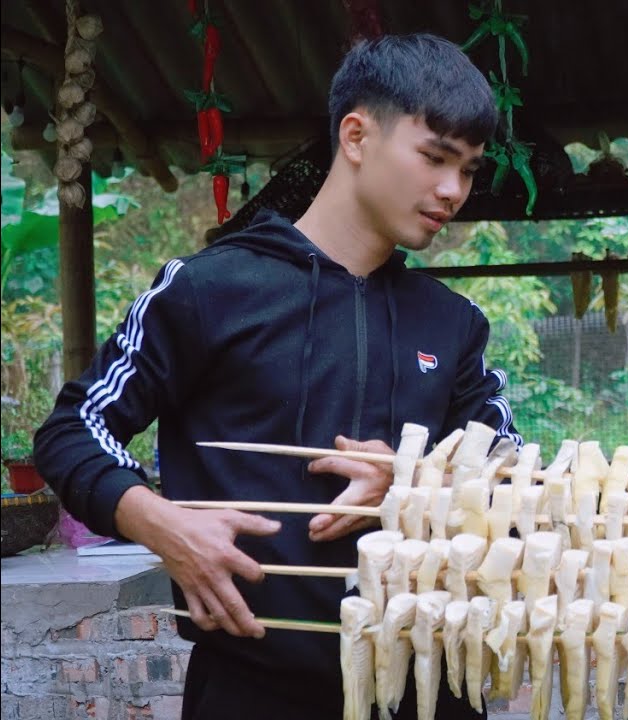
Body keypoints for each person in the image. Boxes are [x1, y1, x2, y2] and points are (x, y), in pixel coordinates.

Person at [35, 33, 519, 720]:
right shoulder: (209, 290)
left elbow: (513, 470)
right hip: (252, 691)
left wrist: (421, 478)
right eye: (435, 157)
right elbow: (72, 429)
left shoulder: (453, 324)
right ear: (356, 135)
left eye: (468, 169)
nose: (454, 190)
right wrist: (159, 523)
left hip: (430, 690)